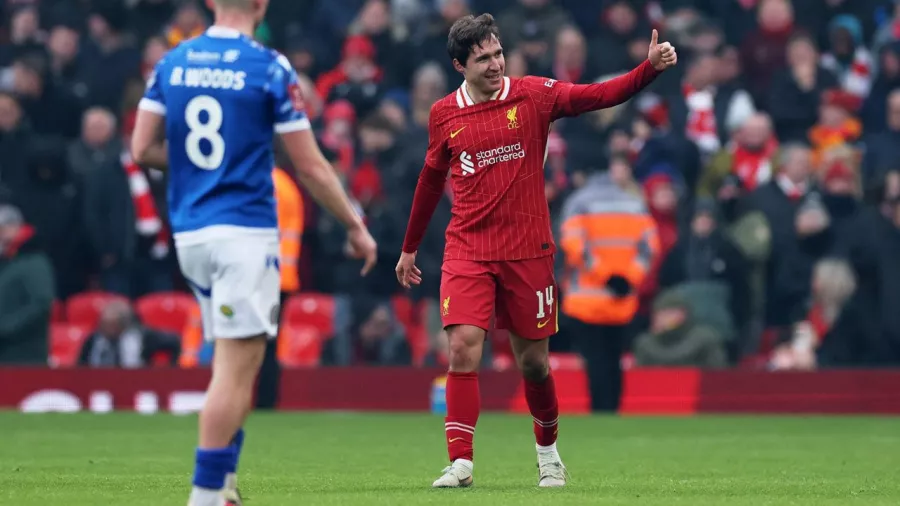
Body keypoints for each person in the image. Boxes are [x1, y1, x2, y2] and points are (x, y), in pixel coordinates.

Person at [395, 13, 677, 489]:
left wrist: (646, 69)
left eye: (498, 53)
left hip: (527, 250)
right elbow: (429, 181)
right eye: (482, 58)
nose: (494, 64)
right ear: (459, 65)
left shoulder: (532, 94)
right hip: (467, 248)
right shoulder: (444, 113)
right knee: (463, 348)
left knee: (534, 363)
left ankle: (548, 454)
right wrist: (409, 249)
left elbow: (597, 96)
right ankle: (460, 461)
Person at [130, 1, 377, 505]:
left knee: (236, 365)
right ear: (261, 5)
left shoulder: (172, 62)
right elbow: (309, 165)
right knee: (235, 371)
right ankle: (204, 495)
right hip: (243, 233)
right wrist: (354, 224)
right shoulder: (268, 66)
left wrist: (204, 172)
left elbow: (141, 149)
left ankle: (224, 488)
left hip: (193, 234)